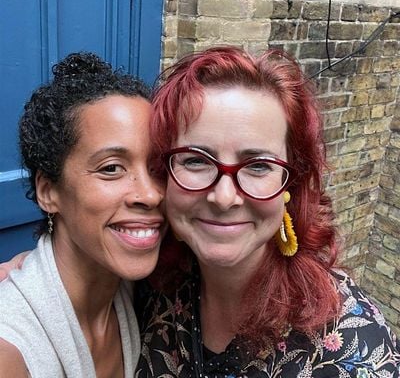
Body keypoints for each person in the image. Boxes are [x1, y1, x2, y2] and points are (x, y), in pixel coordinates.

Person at [135, 46, 400, 377]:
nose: (224, 198)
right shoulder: (156, 290)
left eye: (258, 165)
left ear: (290, 185)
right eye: (196, 161)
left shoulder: (354, 344)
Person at [0, 52, 167, 378]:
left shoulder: (148, 289)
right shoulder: (11, 352)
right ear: (48, 191)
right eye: (111, 168)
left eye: (157, 167)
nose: (151, 194)